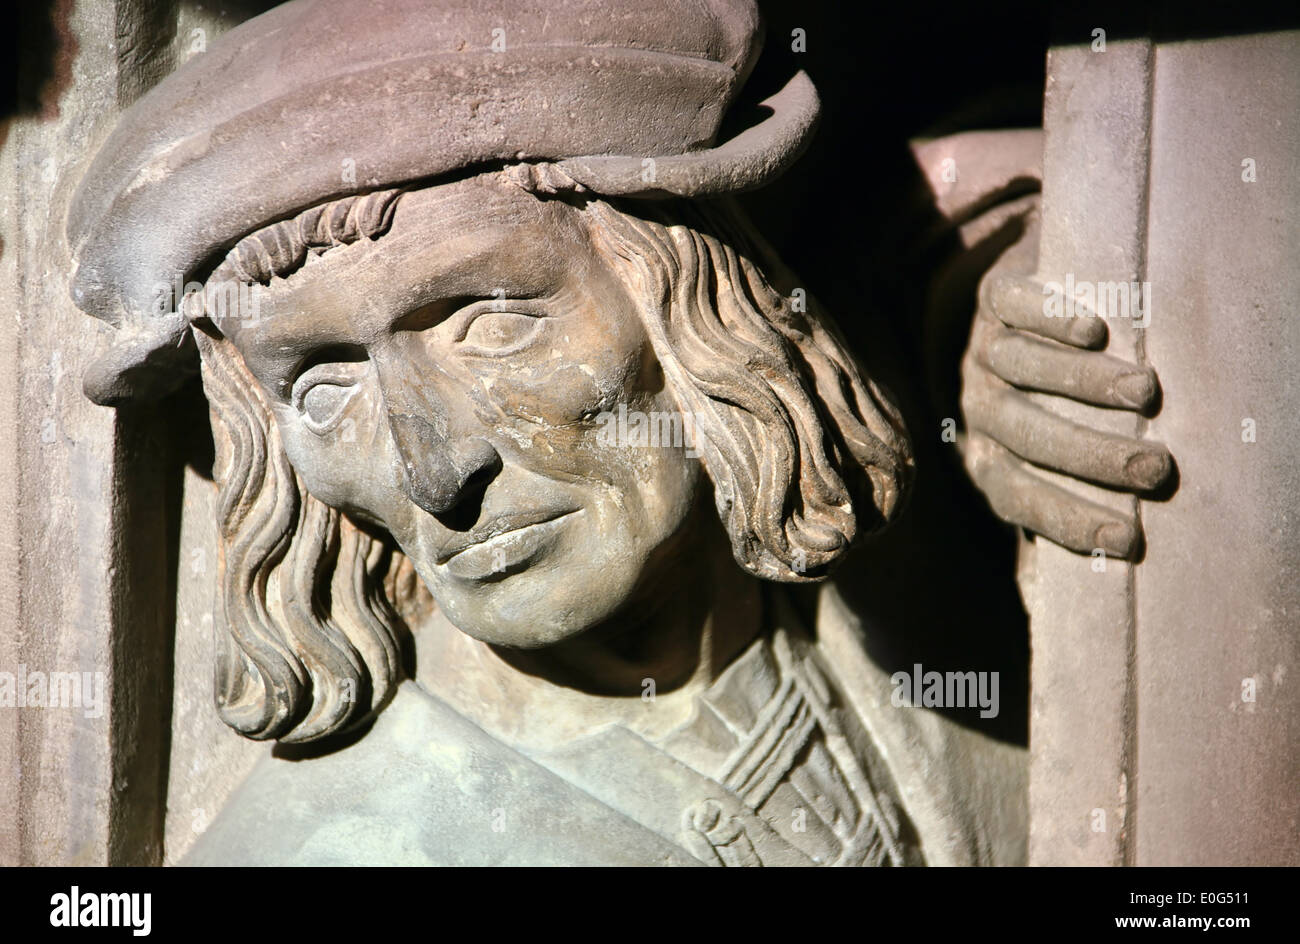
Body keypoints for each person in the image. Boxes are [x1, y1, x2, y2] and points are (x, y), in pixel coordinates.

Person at [66, 0, 1169, 865]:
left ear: (694, 305)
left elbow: (954, 218)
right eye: (321, 389)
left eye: (490, 321)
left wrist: (997, 305)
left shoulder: (902, 600)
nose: (436, 466)